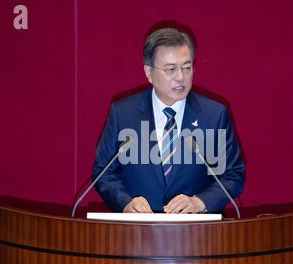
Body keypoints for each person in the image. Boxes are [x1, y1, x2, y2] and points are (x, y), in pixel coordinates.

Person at [92, 27, 245, 213]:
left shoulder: (214, 115)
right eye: (171, 69)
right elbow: (103, 173)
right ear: (148, 72)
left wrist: (200, 202)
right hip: (135, 232)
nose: (180, 77)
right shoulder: (123, 114)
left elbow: (233, 175)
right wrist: (125, 202)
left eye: (187, 68)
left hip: (200, 234)